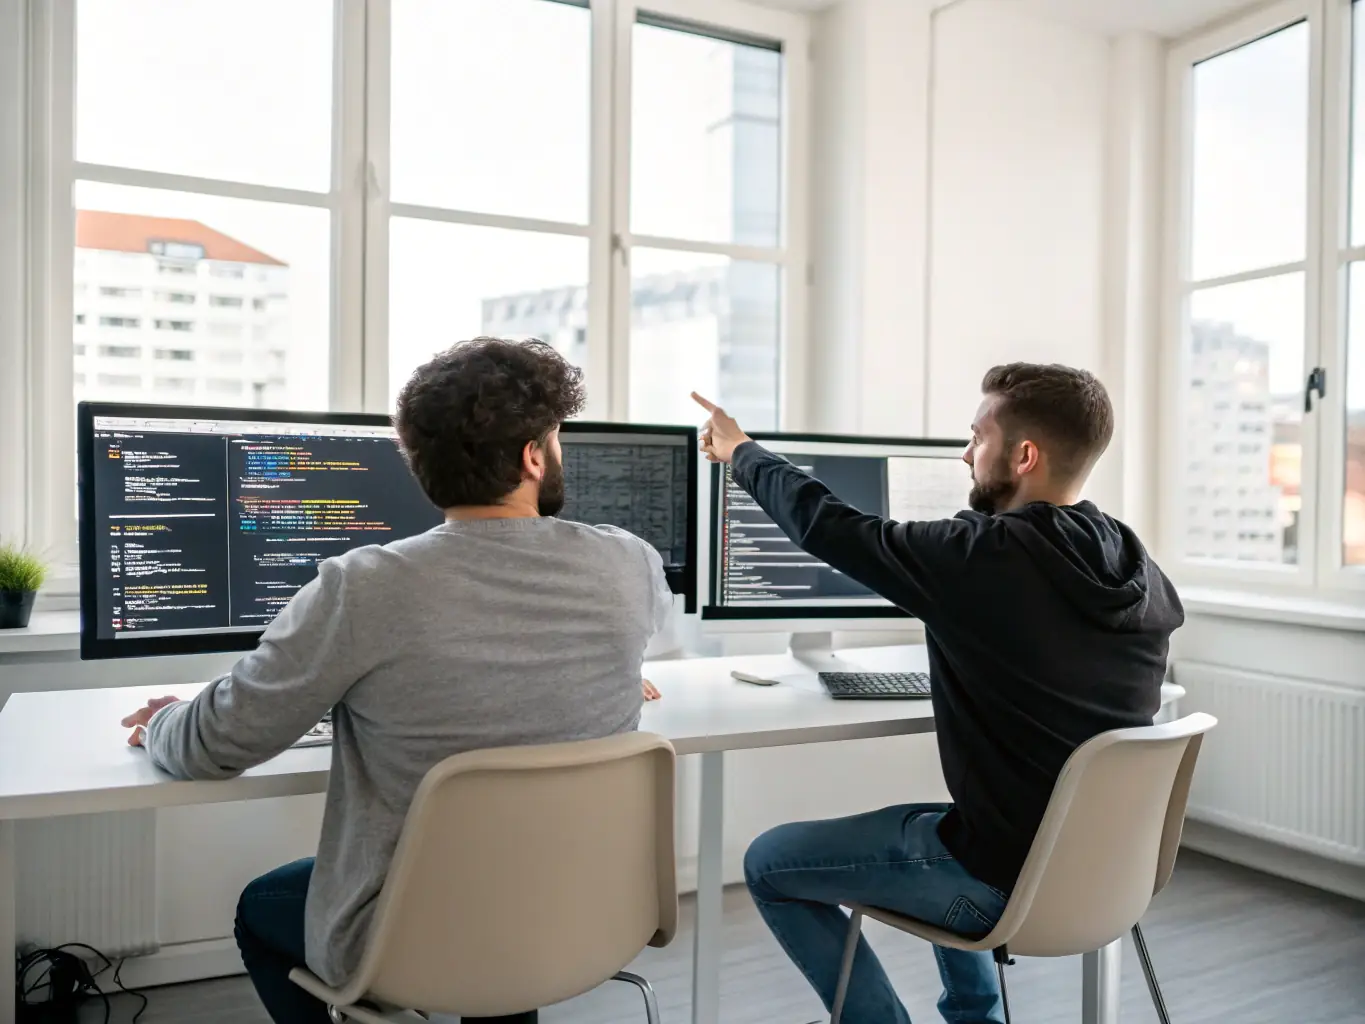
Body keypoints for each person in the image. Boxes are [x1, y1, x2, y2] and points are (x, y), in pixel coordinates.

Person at [120, 338, 672, 1024]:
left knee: (262, 907)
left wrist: (164, 721)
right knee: (503, 887)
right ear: (533, 456)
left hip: (421, 938)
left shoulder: (364, 587)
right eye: (556, 438)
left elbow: (213, 744)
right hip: (583, 913)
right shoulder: (630, 563)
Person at [692, 363, 1184, 1024]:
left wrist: (742, 452)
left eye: (976, 437)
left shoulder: (981, 555)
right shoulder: (1133, 560)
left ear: (1024, 456)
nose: (964, 454)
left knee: (768, 862)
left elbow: (829, 527)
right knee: (947, 828)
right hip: (1103, 879)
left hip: (996, 886)